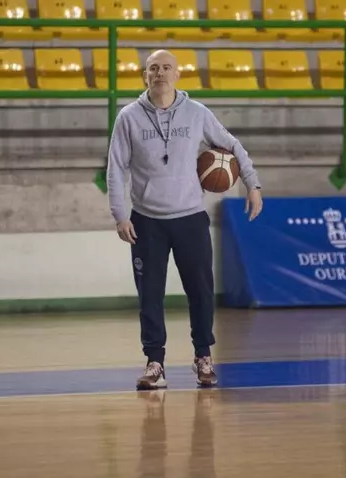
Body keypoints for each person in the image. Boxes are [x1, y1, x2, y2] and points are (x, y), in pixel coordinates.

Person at [106, 49, 264, 390]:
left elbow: (233, 145)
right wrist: (120, 214)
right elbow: (115, 168)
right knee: (150, 295)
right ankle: (155, 363)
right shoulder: (128, 117)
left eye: (167, 67)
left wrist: (252, 184)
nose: (160, 73)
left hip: (190, 218)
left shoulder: (197, 113)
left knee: (201, 291)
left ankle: (203, 356)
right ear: (144, 76)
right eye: (153, 68)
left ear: (178, 74)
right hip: (146, 221)